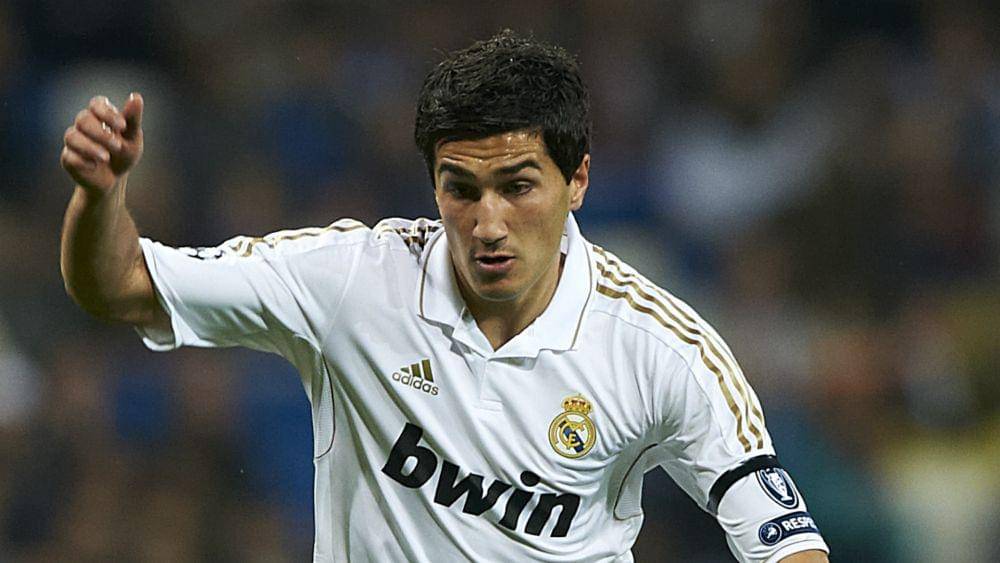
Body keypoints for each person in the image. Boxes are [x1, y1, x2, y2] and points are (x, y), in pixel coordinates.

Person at [59, 30, 830, 562]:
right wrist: (99, 198)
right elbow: (119, 286)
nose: (487, 223)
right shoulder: (352, 282)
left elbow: (785, 542)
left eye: (518, 186)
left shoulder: (661, 349)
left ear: (578, 180)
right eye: (461, 188)